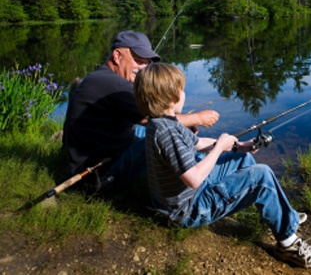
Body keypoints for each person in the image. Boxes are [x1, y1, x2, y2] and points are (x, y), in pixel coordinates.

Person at [133, 62, 311, 269]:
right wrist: (219, 148)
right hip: (189, 209)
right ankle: (288, 245)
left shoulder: (164, 122)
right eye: (181, 89)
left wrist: (238, 146)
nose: (184, 93)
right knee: (262, 175)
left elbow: (199, 144)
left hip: (180, 200)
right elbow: (193, 179)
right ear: (173, 98)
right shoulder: (167, 132)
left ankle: (281, 214)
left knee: (242, 160)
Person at [62, 30, 219, 191]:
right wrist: (197, 118)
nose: (143, 68)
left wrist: (181, 126)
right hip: (98, 174)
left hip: (101, 156)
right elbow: (160, 123)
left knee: (167, 135)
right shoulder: (116, 86)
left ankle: (212, 153)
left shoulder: (102, 76)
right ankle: (208, 176)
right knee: (165, 138)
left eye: (146, 62)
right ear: (117, 56)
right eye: (138, 60)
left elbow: (154, 119)